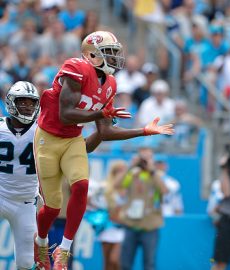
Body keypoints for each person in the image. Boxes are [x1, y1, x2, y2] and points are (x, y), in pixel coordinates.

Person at [33, 30, 174, 270]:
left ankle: (64, 251)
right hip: (48, 137)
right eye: (109, 52)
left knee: (81, 186)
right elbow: (66, 115)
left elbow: (105, 132)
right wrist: (101, 113)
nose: (115, 58)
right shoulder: (77, 68)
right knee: (54, 207)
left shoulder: (110, 83)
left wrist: (144, 131)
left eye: (115, 53)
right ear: (91, 55)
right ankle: (41, 241)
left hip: (73, 139)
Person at [0, 81, 40, 270]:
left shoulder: (43, 130)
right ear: (10, 102)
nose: (27, 106)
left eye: (31, 103)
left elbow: (82, 146)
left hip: (25, 202)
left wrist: (100, 129)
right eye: (22, 101)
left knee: (25, 262)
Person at [115, 147, 168, 270]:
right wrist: (130, 166)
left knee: (149, 264)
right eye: (142, 157)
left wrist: (152, 170)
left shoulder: (156, 175)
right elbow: (117, 185)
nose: (144, 160)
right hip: (131, 225)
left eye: (148, 157)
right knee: (125, 264)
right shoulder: (132, 174)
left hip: (150, 226)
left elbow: (164, 190)